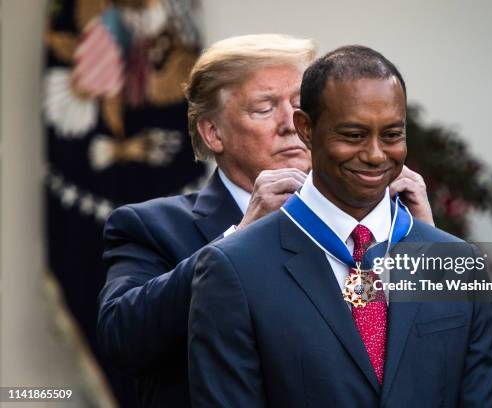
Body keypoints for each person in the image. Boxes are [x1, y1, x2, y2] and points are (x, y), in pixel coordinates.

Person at [98, 35, 434, 407]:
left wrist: (427, 248)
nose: (291, 124)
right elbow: (121, 339)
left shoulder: (385, 219)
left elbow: (445, 350)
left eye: (300, 107)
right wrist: (238, 239)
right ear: (213, 133)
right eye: (264, 108)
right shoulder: (151, 226)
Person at [188, 45, 492, 407]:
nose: (375, 155)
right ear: (305, 129)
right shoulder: (234, 269)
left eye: (391, 135)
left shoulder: (458, 263)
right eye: (353, 135)